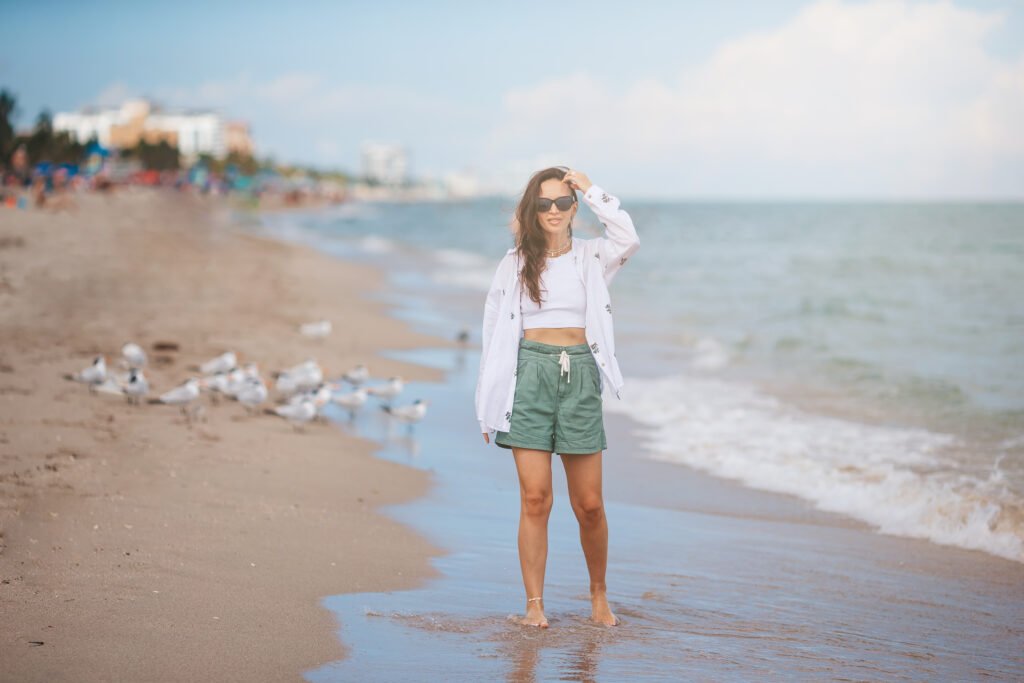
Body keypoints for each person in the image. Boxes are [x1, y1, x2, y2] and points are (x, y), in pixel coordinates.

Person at [475, 166, 640, 628]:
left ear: (573, 210)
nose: (553, 211)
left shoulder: (593, 256)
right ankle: (534, 607)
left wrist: (590, 189)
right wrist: (486, 406)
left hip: (580, 376)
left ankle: (599, 594)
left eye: (562, 203)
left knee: (589, 504)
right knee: (535, 499)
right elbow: (494, 335)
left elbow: (628, 237)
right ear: (532, 209)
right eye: (544, 203)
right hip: (527, 377)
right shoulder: (514, 264)